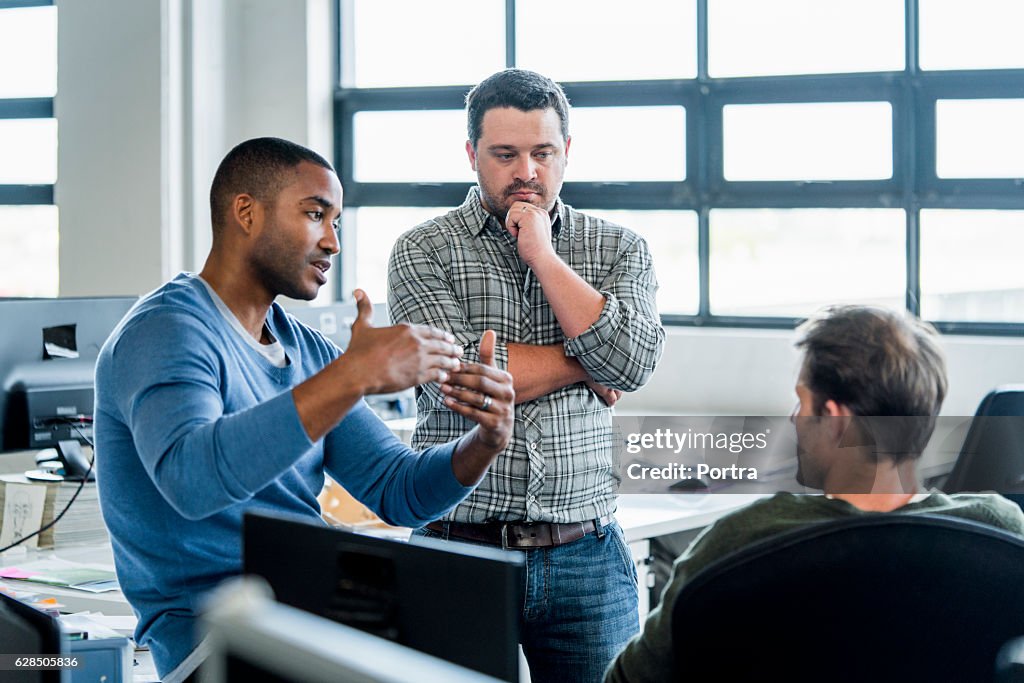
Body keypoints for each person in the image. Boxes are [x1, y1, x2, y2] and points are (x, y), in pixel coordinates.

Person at [93, 137, 515, 682]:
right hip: (216, 639)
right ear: (246, 212)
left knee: (491, 651)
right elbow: (193, 480)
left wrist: (484, 442)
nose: (333, 242)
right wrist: (354, 373)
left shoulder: (308, 348)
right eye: (315, 215)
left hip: (308, 615)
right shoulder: (166, 331)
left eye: (336, 221)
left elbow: (398, 490)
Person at [387, 69, 665, 682]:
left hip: (587, 553)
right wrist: (585, 357)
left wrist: (542, 253)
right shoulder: (422, 250)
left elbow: (632, 365)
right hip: (456, 549)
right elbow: (459, 384)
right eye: (505, 154)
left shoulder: (618, 248)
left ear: (568, 153)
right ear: (472, 155)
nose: (527, 172)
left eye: (543, 153)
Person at [604, 305, 1024, 683]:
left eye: (802, 402)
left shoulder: (742, 541)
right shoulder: (1002, 533)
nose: (794, 418)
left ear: (834, 418)